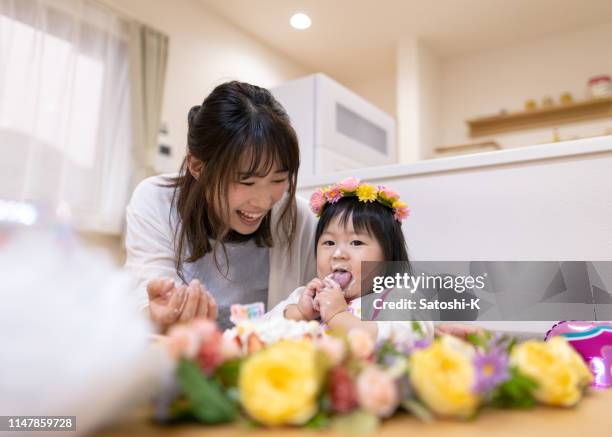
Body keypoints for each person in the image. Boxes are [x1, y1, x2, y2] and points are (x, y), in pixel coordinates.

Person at [125, 81, 317, 330]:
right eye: (246, 181)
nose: (263, 201)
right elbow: (145, 293)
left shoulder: (298, 218)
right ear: (197, 167)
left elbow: (368, 292)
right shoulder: (156, 200)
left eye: (278, 180)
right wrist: (158, 313)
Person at [265, 178, 481, 342]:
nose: (338, 253)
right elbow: (258, 330)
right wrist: (300, 312)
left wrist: (339, 316)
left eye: (356, 243)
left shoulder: (398, 298)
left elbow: (403, 342)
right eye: (329, 243)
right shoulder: (305, 296)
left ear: (387, 256)